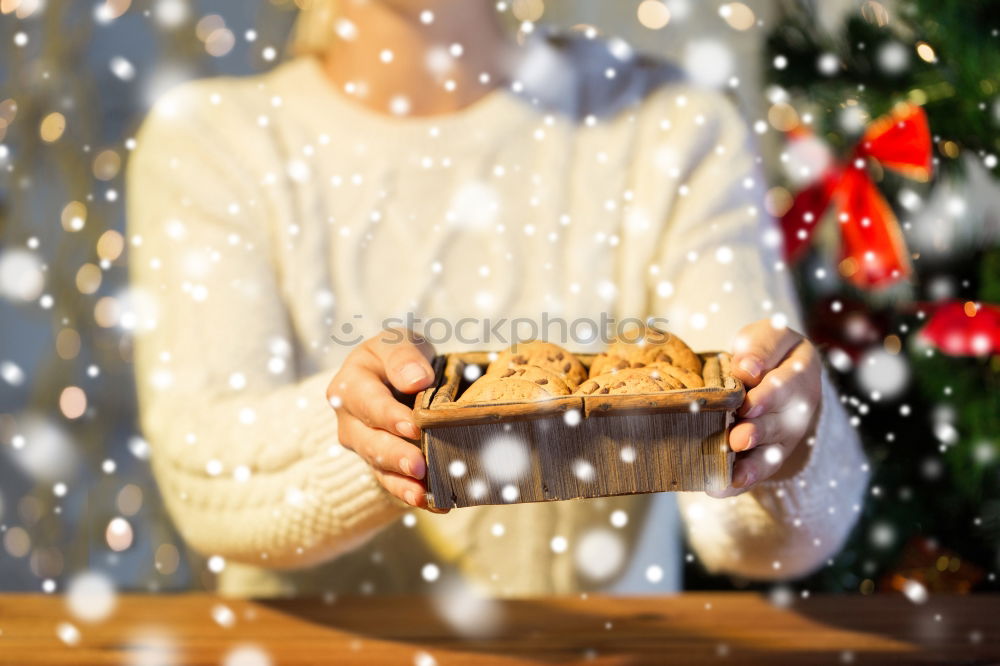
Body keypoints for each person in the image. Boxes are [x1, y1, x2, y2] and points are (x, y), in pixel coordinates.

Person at [127, 0, 869, 597]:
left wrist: (783, 441)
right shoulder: (213, 143)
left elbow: (771, 529)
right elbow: (205, 480)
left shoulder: (672, 127)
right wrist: (369, 437)